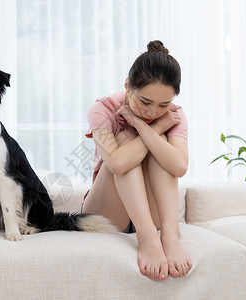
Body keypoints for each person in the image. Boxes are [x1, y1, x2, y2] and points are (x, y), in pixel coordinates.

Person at [82, 40, 192, 281]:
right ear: (127, 86)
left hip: (154, 215)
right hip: (105, 215)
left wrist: (144, 126)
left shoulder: (174, 114)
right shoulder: (102, 109)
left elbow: (179, 166)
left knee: (160, 144)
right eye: (145, 102)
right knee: (124, 140)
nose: (152, 112)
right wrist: (154, 128)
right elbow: (117, 164)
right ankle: (148, 238)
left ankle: (170, 235)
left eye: (163, 104)